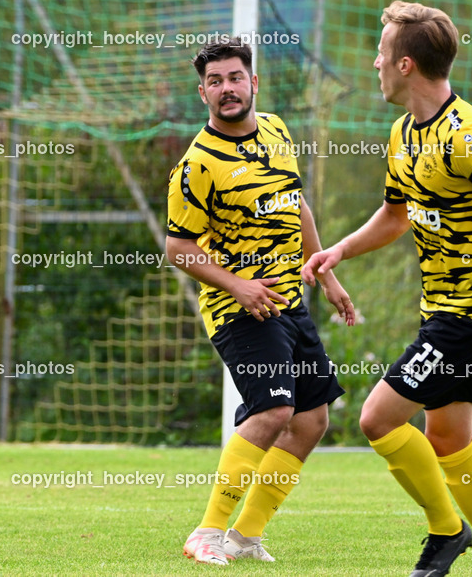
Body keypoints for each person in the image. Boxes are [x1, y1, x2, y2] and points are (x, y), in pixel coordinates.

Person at [303, 0, 472, 577]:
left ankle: (447, 532)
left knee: (377, 418)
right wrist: (340, 248)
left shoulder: (464, 137)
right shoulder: (401, 132)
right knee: (446, 436)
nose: (375, 63)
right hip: (443, 308)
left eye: (383, 53)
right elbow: (395, 215)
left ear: (407, 65)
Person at [166, 38, 355, 566]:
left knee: (313, 420)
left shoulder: (275, 129)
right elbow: (178, 248)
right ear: (202, 91)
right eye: (215, 82)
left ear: (254, 82)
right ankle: (207, 531)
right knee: (275, 410)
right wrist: (239, 285)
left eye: (234, 78)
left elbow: (297, 206)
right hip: (240, 311)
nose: (227, 89)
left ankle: (245, 536)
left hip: (290, 301)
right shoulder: (197, 165)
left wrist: (323, 270)